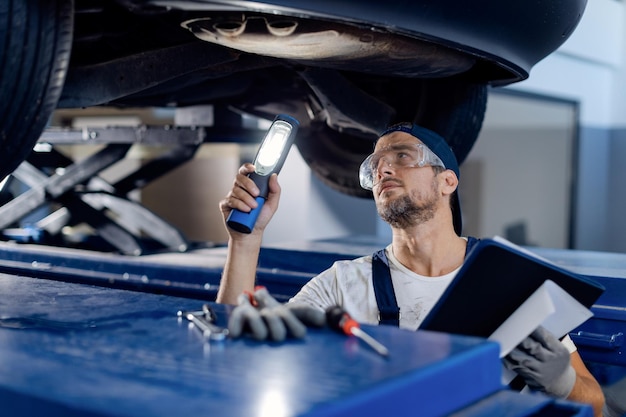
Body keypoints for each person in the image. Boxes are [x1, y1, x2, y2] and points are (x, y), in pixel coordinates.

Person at [217, 122, 605, 416]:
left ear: (447, 181)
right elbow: (232, 348)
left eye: (402, 156)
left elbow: (598, 407)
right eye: (376, 166)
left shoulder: (507, 278)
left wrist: (564, 382)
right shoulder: (342, 285)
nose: (383, 169)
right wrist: (245, 240)